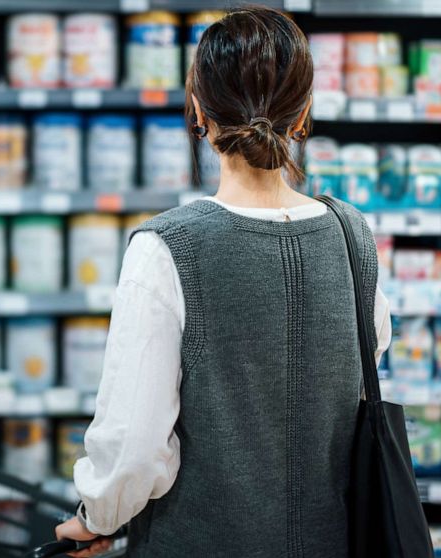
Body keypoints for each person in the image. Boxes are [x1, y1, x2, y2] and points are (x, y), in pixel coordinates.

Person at [54, 6, 392, 557]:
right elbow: (357, 379)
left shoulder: (167, 248)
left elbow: (135, 446)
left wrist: (99, 516)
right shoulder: (353, 236)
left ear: (198, 113)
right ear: (303, 114)